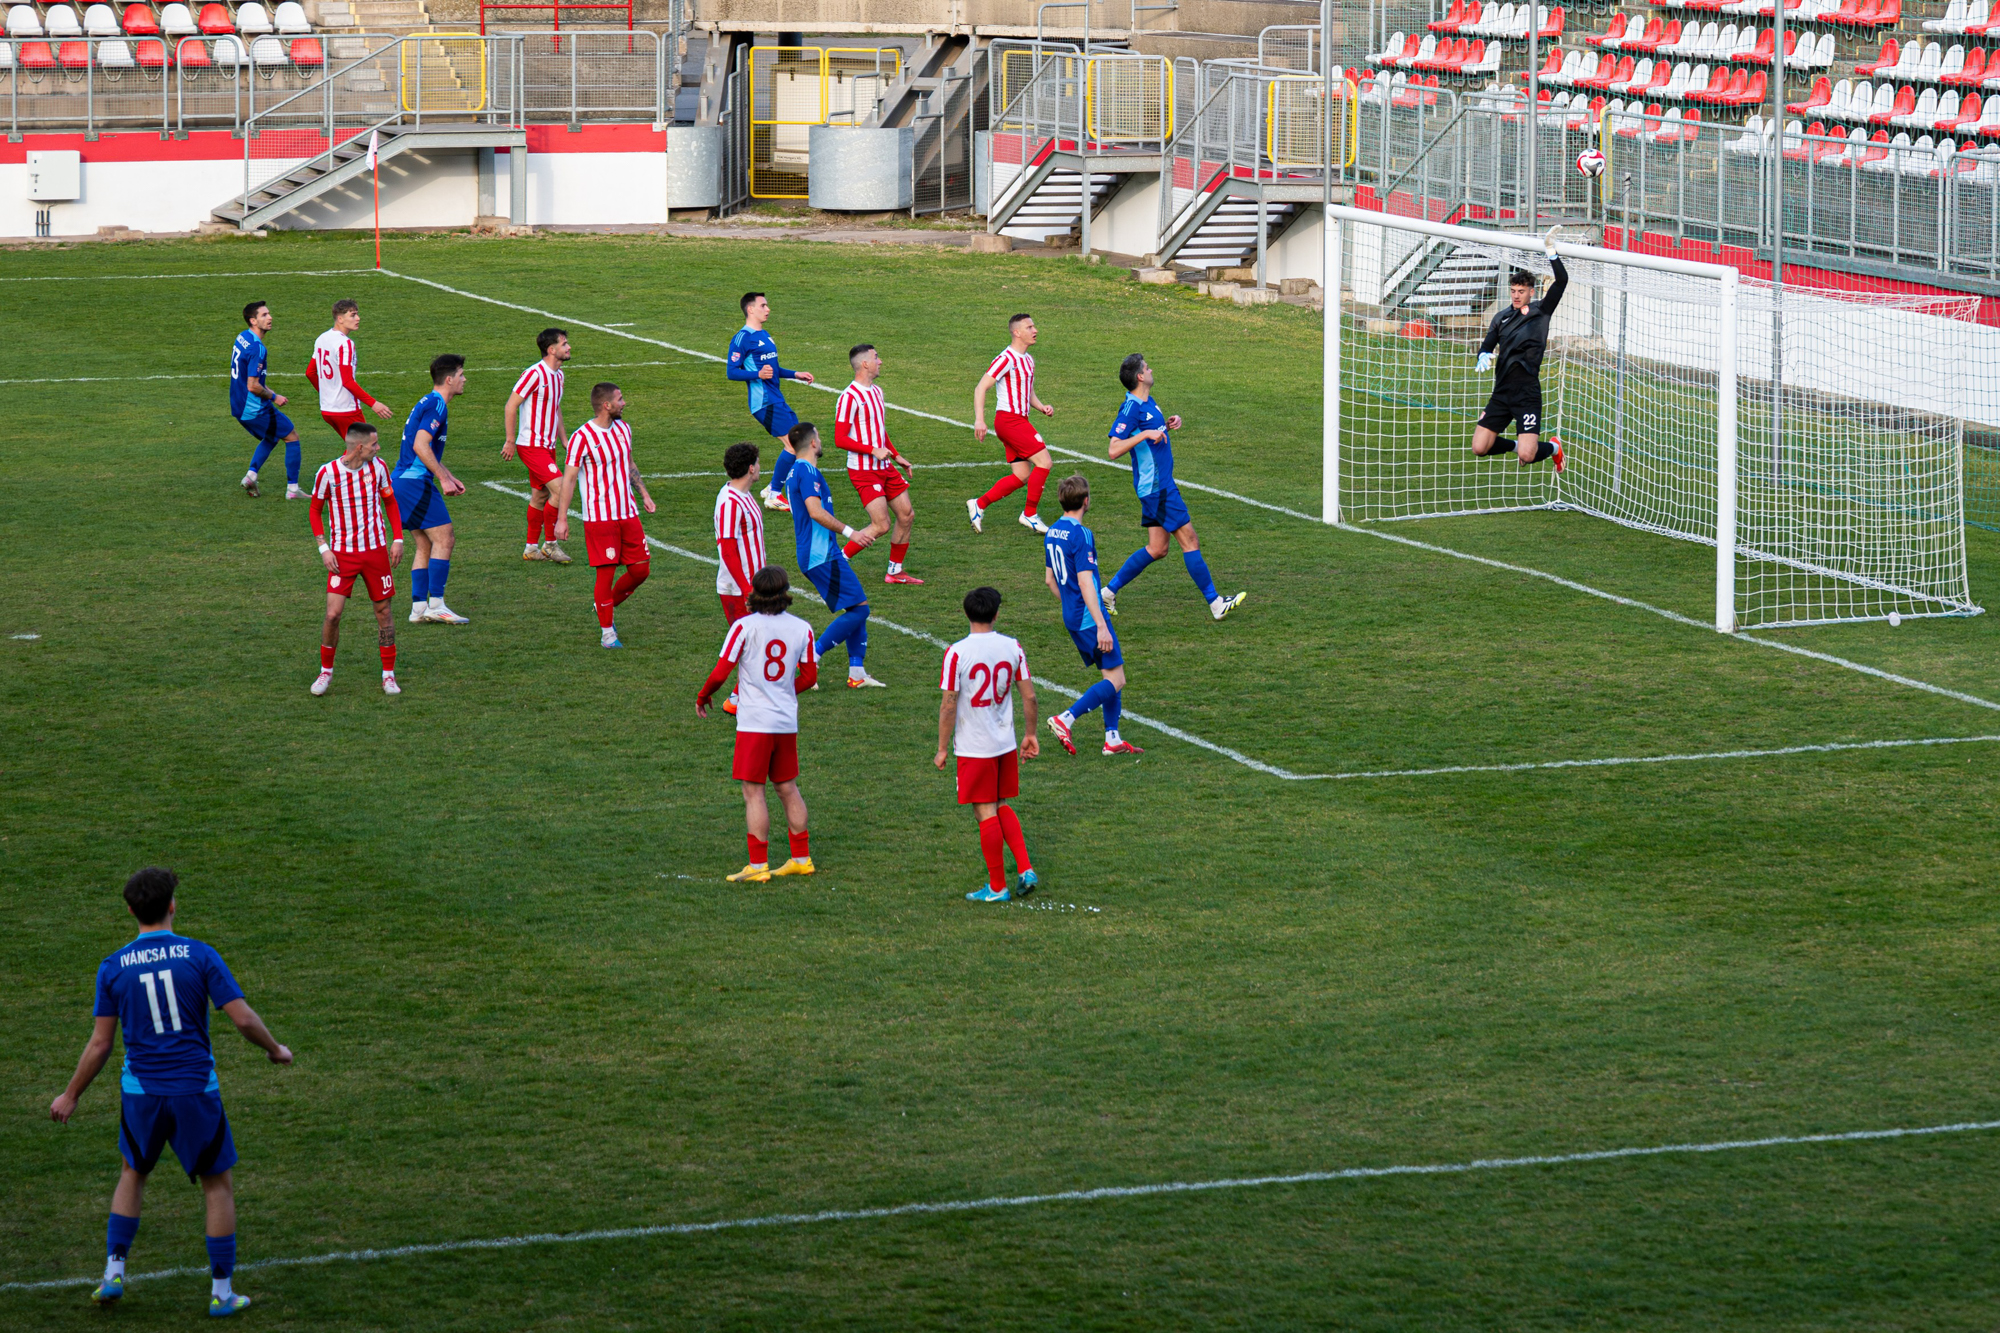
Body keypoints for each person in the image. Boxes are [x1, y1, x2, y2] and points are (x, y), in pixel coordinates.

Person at [48, 867, 293, 1319]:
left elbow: (101, 1042)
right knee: (216, 1185)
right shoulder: (199, 956)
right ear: (173, 905)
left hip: (141, 1092)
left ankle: (113, 1272)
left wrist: (71, 1094)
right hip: (195, 1090)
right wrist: (275, 1049)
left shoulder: (113, 966)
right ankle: (221, 1292)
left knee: (132, 1173)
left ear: (130, 910)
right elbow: (241, 1019)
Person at [1100, 354, 1247, 622]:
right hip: (1157, 488)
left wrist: (1166, 425)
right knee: (1189, 540)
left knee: (1158, 548)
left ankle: (1108, 593)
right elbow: (1113, 449)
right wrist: (1145, 434)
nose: (1151, 368)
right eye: (1147, 367)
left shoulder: (1148, 402)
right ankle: (1215, 604)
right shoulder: (1131, 408)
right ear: (1140, 377)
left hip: (1157, 486)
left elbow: (1151, 432)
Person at [697, 566, 821, 882]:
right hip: (785, 721)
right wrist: (781, 691)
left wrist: (703, 696)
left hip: (754, 723)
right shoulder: (802, 628)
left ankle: (757, 865)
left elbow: (721, 671)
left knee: (754, 792)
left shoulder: (744, 626)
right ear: (785, 592)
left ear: (754, 592)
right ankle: (801, 858)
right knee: (787, 787)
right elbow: (809, 677)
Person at [936, 585, 1042, 903]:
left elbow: (949, 704)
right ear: (996, 614)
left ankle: (997, 887)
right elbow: (1030, 696)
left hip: (974, 747)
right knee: (1002, 804)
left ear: (966, 613)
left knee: (985, 812)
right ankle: (1025, 868)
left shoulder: (957, 652)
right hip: (1004, 743)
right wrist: (1030, 734)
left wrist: (942, 748)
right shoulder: (1012, 647)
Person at [1043, 474, 1143, 756]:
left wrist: (1071, 604)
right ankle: (1066, 719)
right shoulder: (1082, 535)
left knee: (1112, 672)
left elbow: (1050, 580)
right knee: (1117, 679)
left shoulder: (1051, 531)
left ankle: (1112, 738)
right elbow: (1087, 582)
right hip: (1090, 618)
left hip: (1072, 615)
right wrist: (1101, 624)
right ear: (1086, 502)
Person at [553, 382, 656, 649]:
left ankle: (604, 605)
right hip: (600, 518)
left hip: (628, 512)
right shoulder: (581, 437)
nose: (624, 403)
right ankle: (607, 633)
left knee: (641, 570)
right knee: (606, 574)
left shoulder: (624, 428)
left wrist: (643, 494)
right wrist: (561, 519)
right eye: (620, 399)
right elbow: (570, 479)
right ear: (606, 405)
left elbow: (629, 464)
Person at [785, 421, 885, 689]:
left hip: (818, 553)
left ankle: (857, 673)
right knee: (860, 609)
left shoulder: (798, 471)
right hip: (821, 555)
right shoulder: (806, 472)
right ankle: (810, 658)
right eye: (819, 436)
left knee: (856, 606)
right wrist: (851, 532)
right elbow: (815, 511)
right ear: (813, 442)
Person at [309, 422, 405, 696]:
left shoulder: (379, 468)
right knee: (332, 614)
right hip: (342, 556)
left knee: (384, 613)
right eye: (374, 444)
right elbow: (315, 511)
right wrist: (324, 548)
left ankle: (388, 676)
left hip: (376, 553)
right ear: (360, 447)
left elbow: (390, 502)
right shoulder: (328, 473)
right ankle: (326, 672)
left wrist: (397, 538)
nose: (379, 448)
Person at [1471, 233, 1568, 470]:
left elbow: (1562, 281)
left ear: (1531, 292)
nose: (1516, 295)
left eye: (1521, 291)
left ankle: (1554, 448)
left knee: (1528, 454)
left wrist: (1551, 253)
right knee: (1480, 447)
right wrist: (1482, 355)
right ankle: (1517, 447)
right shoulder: (1500, 318)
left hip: (1527, 393)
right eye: (1513, 290)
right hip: (1502, 392)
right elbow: (1486, 346)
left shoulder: (1542, 310)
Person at [835, 343, 922, 585]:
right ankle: (839, 562)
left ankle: (894, 572)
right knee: (881, 524)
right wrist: (873, 450)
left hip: (884, 467)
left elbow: (878, 431)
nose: (880, 361)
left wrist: (896, 455)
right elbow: (839, 439)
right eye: (876, 357)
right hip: (863, 471)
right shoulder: (849, 398)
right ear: (864, 364)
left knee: (906, 515)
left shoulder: (877, 392)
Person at [394, 354, 471, 626]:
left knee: (425, 542)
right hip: (415, 482)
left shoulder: (428, 401)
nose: (464, 380)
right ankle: (436, 604)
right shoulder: (438, 405)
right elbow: (420, 445)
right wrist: (443, 479)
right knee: (445, 538)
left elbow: (424, 449)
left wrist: (449, 475)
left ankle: (418, 608)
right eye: (461, 375)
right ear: (449, 380)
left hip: (403, 481)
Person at [967, 312, 1056, 536]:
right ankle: (1029, 514)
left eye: (1034, 326)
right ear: (1017, 333)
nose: (1035, 330)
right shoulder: (1006, 358)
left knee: (1021, 475)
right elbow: (981, 387)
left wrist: (1042, 406)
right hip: (1009, 421)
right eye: (1029, 327)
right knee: (1044, 462)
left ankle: (979, 504)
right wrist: (979, 419)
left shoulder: (1028, 360)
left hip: (1018, 420)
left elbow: (1028, 392)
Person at [727, 292, 814, 512]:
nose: (768, 309)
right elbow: (731, 372)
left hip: (776, 398)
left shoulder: (765, 335)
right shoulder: (742, 338)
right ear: (750, 309)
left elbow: (772, 369)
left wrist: (795, 374)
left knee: (799, 441)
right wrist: (757, 374)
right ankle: (774, 494)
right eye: (763, 305)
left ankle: (771, 489)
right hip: (764, 402)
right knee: (794, 445)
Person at [502, 326, 574, 564]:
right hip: (531, 446)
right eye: (564, 344)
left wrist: (564, 440)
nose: (569, 347)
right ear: (551, 349)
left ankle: (531, 548)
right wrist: (510, 441)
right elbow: (511, 405)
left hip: (548, 447)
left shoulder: (559, 376)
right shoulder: (534, 374)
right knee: (562, 489)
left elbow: (555, 408)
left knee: (540, 496)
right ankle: (550, 544)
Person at [231, 300, 304, 500]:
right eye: (264, 315)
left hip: (237, 404)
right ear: (253, 320)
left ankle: (251, 476)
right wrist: (274, 397)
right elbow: (253, 385)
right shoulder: (258, 348)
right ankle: (293, 489)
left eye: (269, 313)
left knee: (272, 435)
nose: (270, 317)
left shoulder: (243, 337)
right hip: (252, 406)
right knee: (291, 435)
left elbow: (248, 376)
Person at [714, 441, 767, 716]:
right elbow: (728, 548)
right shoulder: (730, 502)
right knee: (749, 645)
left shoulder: (744, 496)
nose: (761, 467)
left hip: (753, 585)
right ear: (750, 468)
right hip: (738, 589)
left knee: (757, 641)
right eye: (758, 462)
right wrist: (748, 589)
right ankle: (735, 699)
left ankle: (744, 695)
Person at [308, 298, 393, 443]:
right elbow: (347, 381)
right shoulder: (345, 344)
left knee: (355, 451)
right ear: (340, 319)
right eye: (353, 315)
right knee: (366, 450)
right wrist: (374, 404)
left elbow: (310, 373)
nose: (358, 318)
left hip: (327, 410)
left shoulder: (322, 338)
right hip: (345, 410)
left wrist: (328, 394)